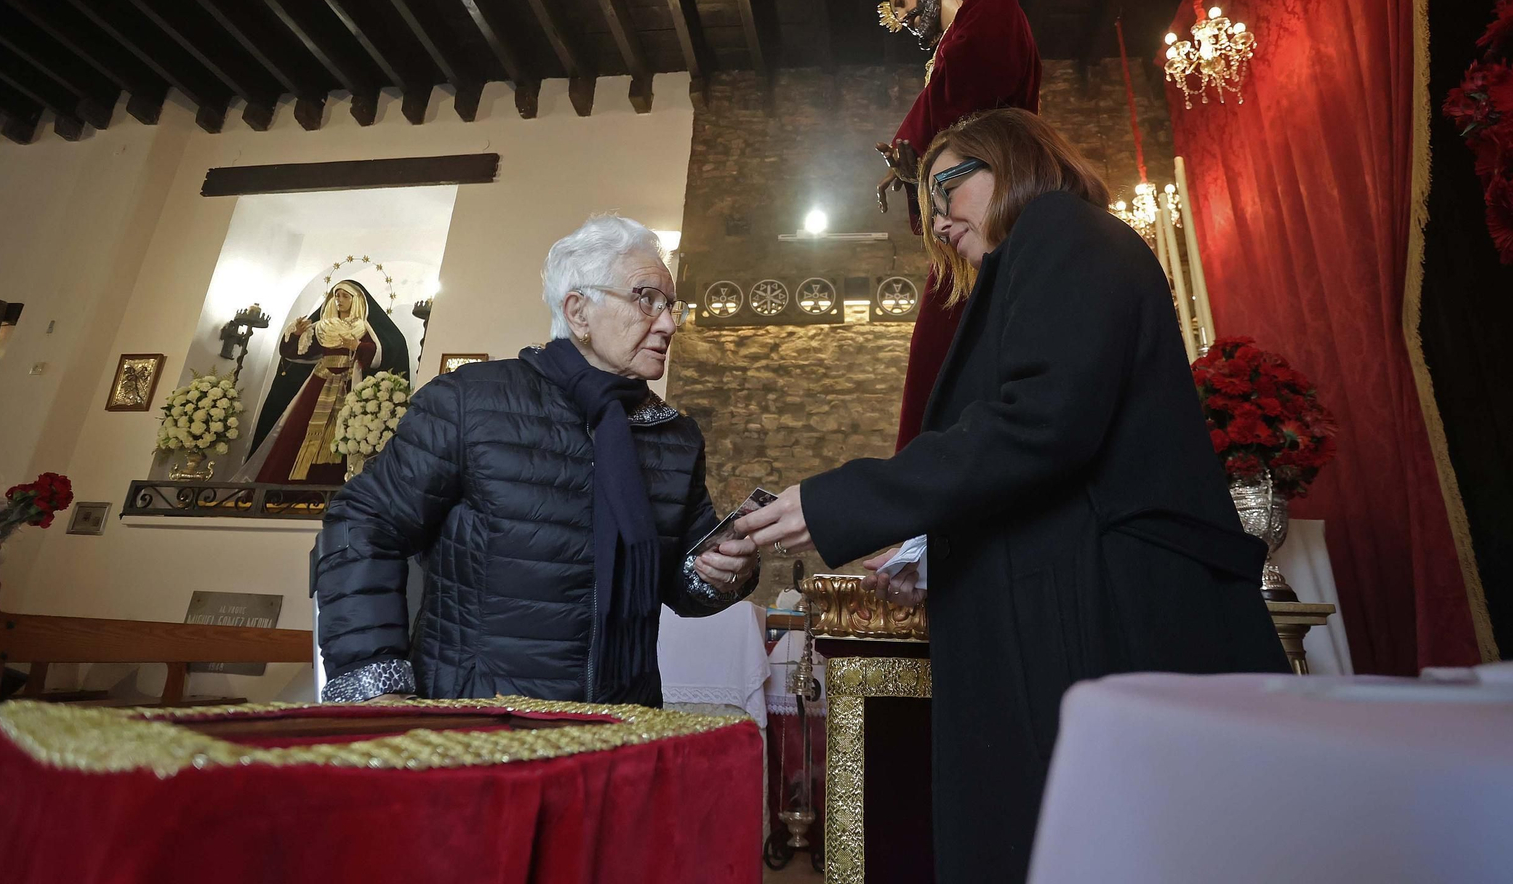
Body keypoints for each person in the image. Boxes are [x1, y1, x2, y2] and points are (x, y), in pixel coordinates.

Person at [735, 109, 1289, 882]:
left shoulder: (1063, 231)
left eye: (947, 187)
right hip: (1068, 598)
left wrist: (842, 500)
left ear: (1014, 164)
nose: (936, 219)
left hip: (1100, 613)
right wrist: (931, 546)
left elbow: (1045, 422)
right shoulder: (1041, 258)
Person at [314, 216, 759, 704]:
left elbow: (681, 583)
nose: (669, 323)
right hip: (479, 722)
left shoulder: (672, 435)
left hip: (620, 724)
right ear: (579, 312)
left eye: (671, 305)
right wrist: (375, 682)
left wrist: (721, 570)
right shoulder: (471, 401)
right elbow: (364, 523)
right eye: (646, 299)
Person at [861, 0, 1043, 450]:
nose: (899, 17)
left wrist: (914, 143)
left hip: (1003, 192)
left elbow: (971, 83)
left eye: (901, 0)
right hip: (963, 213)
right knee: (938, 352)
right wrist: (912, 167)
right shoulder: (941, 61)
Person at [243, 279, 409, 484]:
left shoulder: (364, 327)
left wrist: (358, 346)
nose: (339, 300)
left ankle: (337, 484)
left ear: (355, 300)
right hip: (320, 380)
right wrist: (296, 335)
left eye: (345, 296)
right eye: (336, 296)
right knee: (299, 429)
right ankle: (287, 485)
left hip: (351, 382)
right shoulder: (322, 326)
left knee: (346, 427)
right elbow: (295, 353)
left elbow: (388, 350)